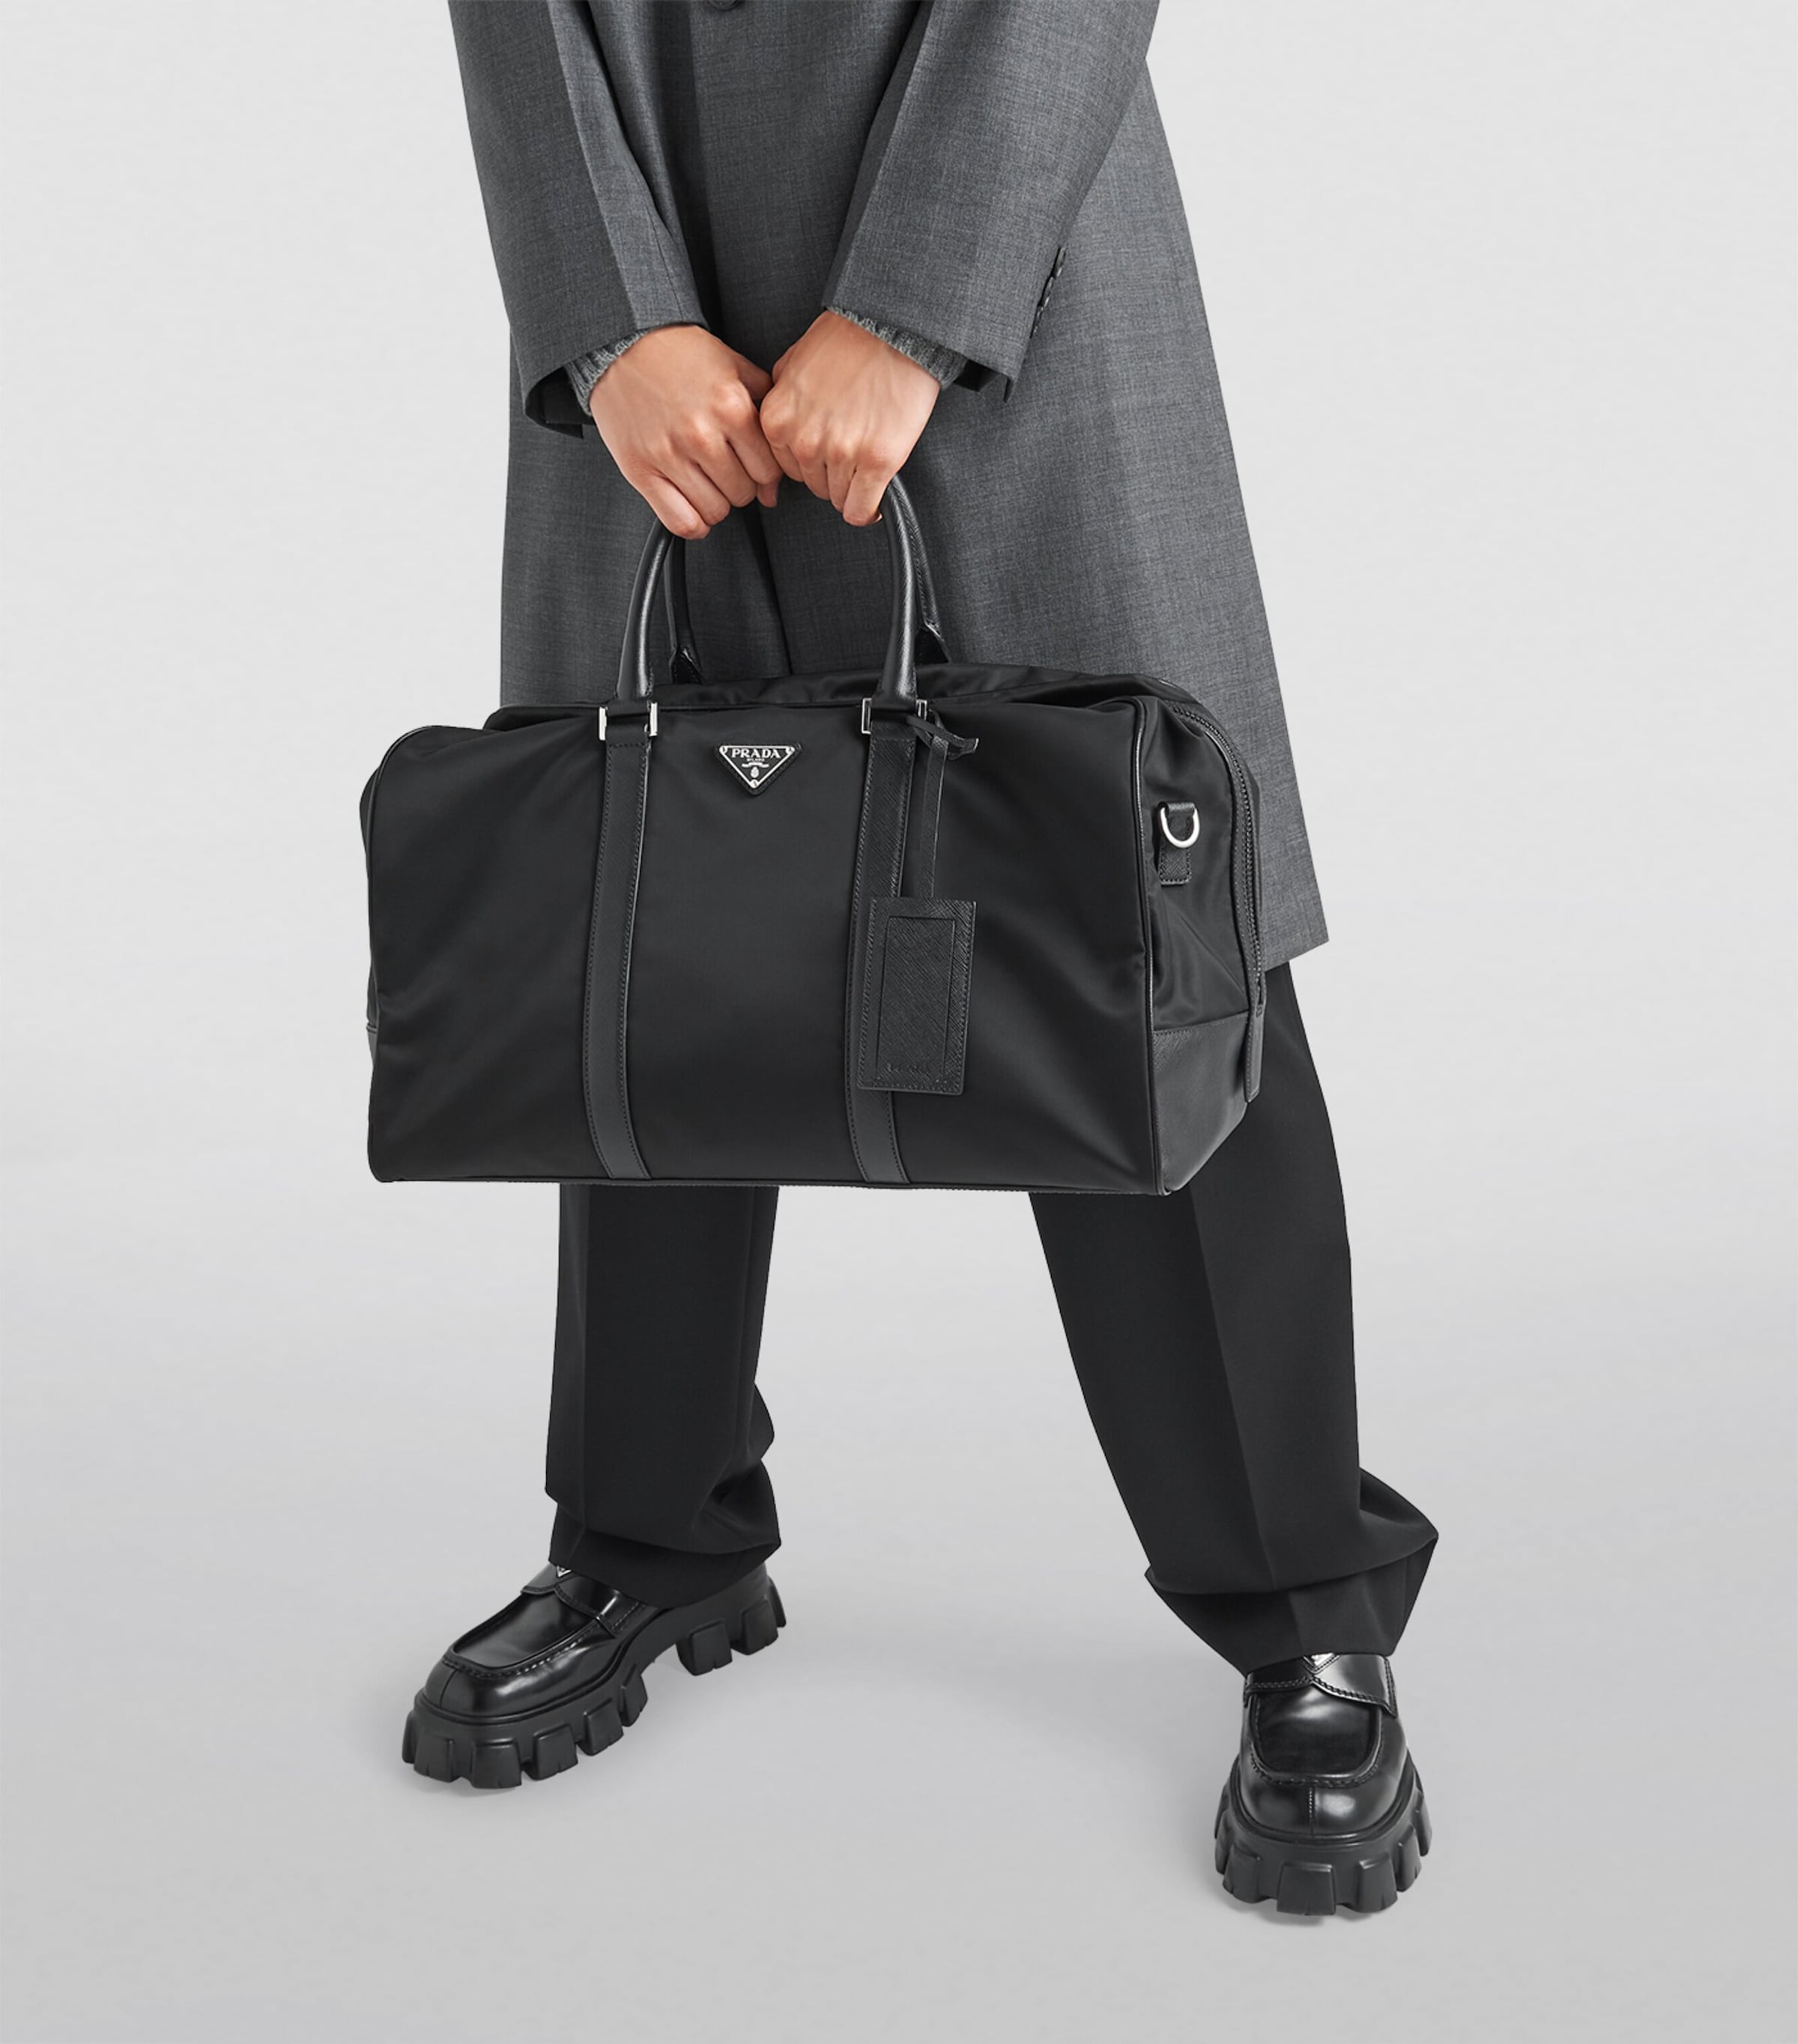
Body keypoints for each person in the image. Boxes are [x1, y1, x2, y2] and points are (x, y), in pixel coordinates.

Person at [410, 0, 1438, 1915]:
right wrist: (606, 321)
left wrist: (913, 306)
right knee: (656, 915)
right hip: (651, 250)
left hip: (1007, 269)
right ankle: (648, 1529)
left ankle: (1302, 1598)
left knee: (1139, 934)